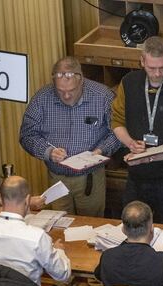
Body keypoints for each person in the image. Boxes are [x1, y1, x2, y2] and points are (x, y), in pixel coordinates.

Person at [20, 56, 121, 217]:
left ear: (81, 81)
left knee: (91, 224)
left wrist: (101, 150)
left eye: (71, 91)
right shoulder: (41, 98)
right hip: (57, 178)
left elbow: (118, 131)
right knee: (60, 224)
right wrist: (47, 151)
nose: (66, 96)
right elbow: (27, 134)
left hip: (90, 178)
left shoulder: (103, 96)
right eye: (60, 91)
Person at [111, 36, 163, 224]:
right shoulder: (129, 83)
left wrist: (149, 157)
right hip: (136, 177)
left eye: (162, 67)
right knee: (133, 229)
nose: (157, 73)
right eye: (151, 68)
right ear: (142, 61)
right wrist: (130, 143)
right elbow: (117, 121)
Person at [0, 175, 71, 285]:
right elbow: (63, 275)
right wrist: (59, 250)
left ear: (0, 199)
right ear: (27, 200)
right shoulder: (37, 237)